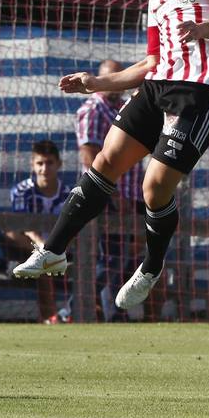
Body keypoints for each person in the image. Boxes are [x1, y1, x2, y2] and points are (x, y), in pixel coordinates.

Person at [13, 0, 209, 317]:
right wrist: (97, 83)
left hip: (199, 91)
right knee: (105, 161)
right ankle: (54, 250)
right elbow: (151, 62)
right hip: (156, 88)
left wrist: (203, 29)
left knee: (154, 188)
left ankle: (151, 267)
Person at [76, 60, 147, 320]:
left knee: (121, 258)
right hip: (107, 196)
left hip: (130, 195)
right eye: (110, 76)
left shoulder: (122, 107)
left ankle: (112, 314)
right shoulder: (94, 109)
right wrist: (114, 194)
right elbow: (89, 156)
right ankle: (75, 308)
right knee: (110, 258)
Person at [4, 140, 72, 323]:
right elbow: (24, 226)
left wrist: (54, 249)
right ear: (32, 165)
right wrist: (43, 248)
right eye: (40, 163)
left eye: (49, 163)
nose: (44, 169)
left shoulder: (69, 194)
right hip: (28, 249)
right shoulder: (21, 191)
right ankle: (50, 318)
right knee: (11, 233)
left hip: (61, 249)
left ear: (59, 164)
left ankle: (80, 314)